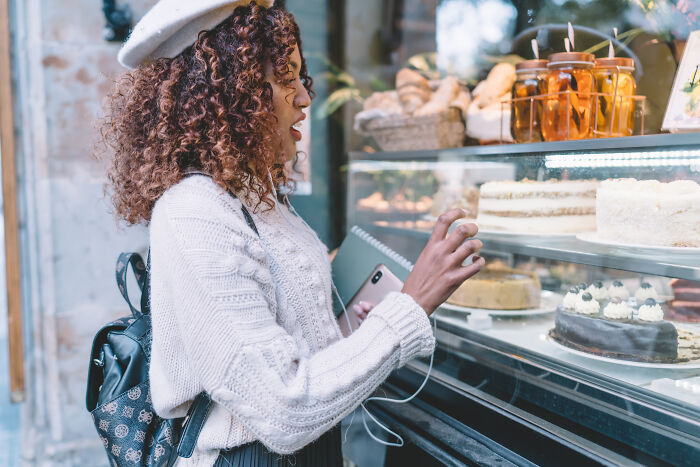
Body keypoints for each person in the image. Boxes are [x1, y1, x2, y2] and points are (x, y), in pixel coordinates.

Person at [102, 1, 484, 465]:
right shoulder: (194, 213)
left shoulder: (259, 201)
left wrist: (347, 335)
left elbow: (285, 355)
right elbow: (282, 409)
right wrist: (411, 306)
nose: (304, 97)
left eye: (300, 79)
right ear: (232, 91)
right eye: (286, 78)